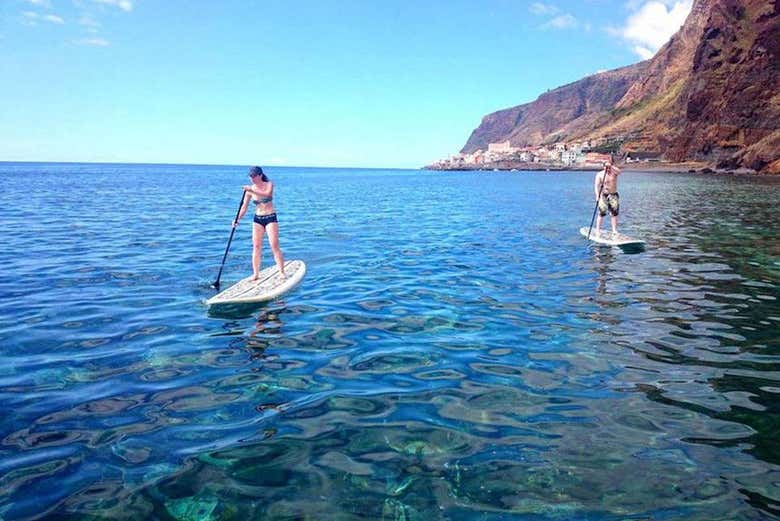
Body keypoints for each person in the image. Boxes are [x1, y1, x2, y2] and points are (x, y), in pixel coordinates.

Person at [233, 166, 286, 280]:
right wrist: (237, 219)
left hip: (270, 217)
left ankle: (281, 271)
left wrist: (251, 190)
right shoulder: (249, 191)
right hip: (258, 219)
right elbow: (244, 207)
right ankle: (256, 274)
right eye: (250, 176)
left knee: (274, 245)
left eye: (254, 176)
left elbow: (267, 195)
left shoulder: (269, 184)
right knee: (256, 246)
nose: (252, 179)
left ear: (260, 175)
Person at [593, 156, 621, 234]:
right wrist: (597, 196)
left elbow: (619, 172)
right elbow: (596, 186)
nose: (607, 169)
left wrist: (611, 166)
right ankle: (598, 230)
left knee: (614, 213)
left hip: (613, 194)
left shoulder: (614, 173)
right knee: (602, 213)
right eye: (606, 167)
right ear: (603, 167)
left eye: (609, 167)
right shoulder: (599, 175)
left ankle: (614, 230)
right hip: (603, 195)